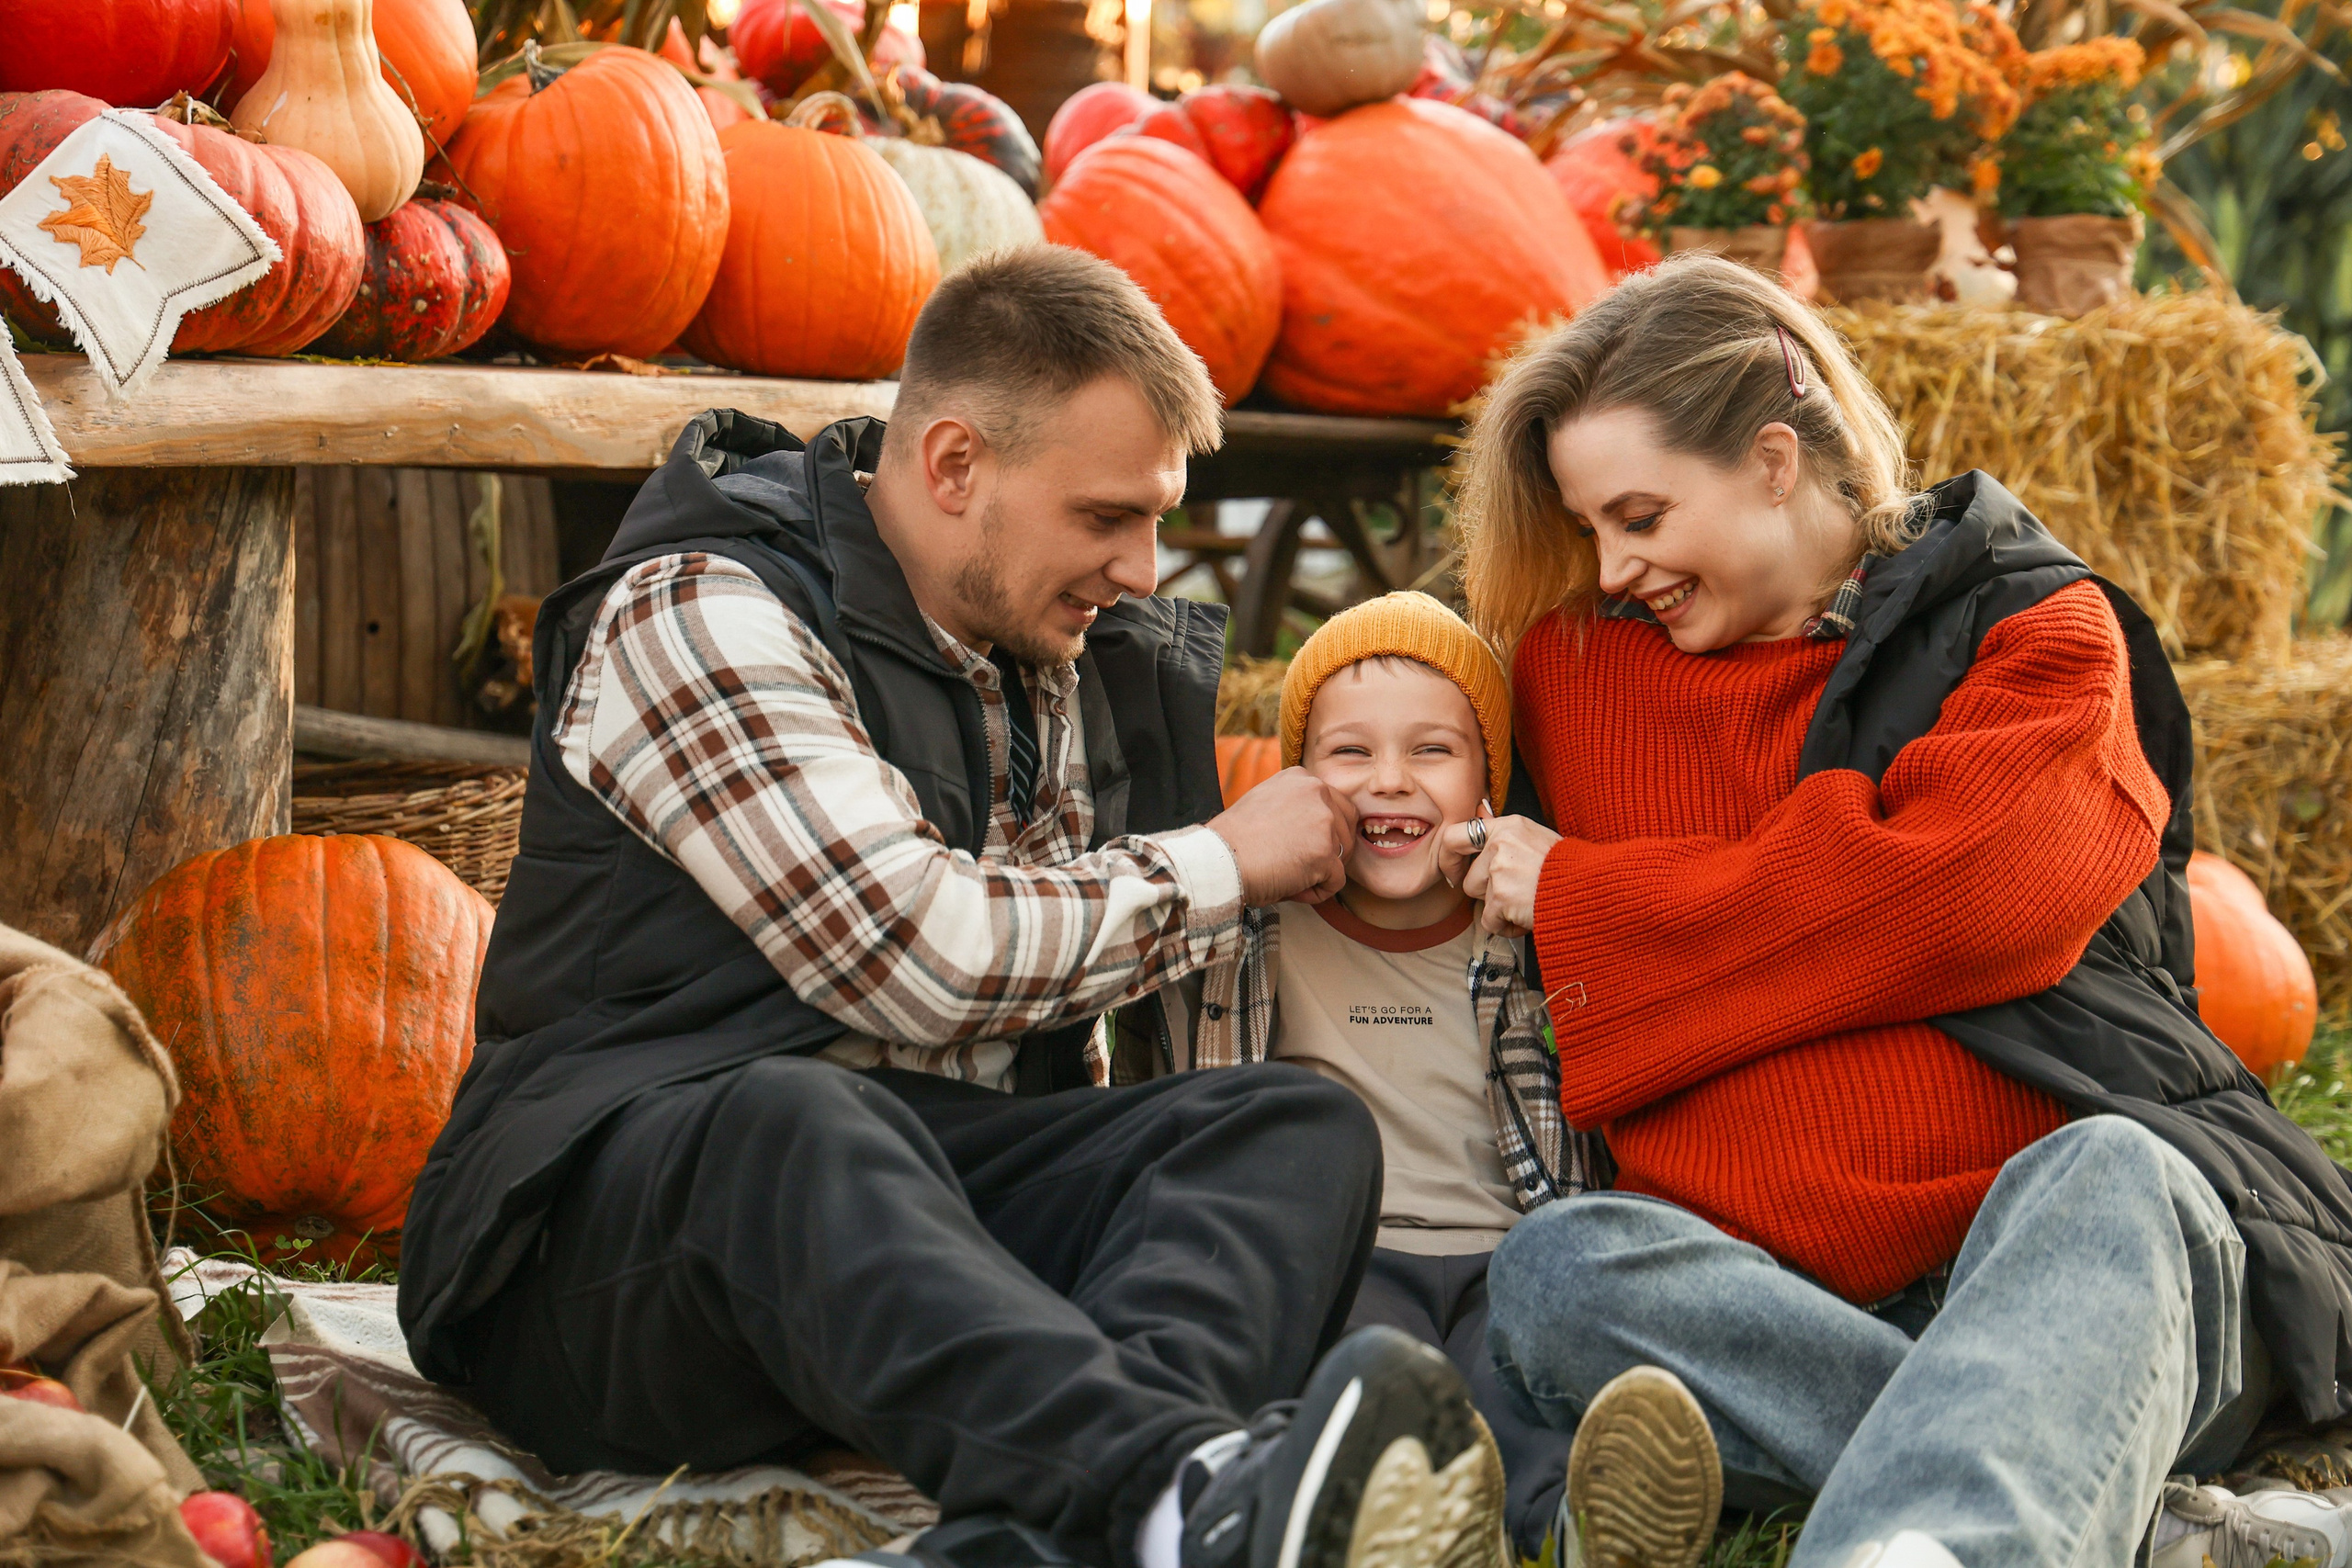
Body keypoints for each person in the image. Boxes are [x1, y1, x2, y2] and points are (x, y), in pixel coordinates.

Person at [394, 246, 1512, 1568]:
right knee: (789, 1108)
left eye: (1158, 518)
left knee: (1288, 1124)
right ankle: (1183, 1478)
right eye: (1107, 517)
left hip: (909, 1239)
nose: (1146, 570)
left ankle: (1074, 1529)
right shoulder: (703, 609)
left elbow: (1098, 1018)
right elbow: (916, 954)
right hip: (607, 1258)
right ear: (953, 466)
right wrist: (1222, 859)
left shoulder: (1061, 647)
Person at [1439, 252, 2352, 1568]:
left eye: (1639, 513)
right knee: (1557, 1268)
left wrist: (1591, 896)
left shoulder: (2038, 629)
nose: (1614, 560)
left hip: (2074, 1266)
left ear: (1769, 460)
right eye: (1589, 528)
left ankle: (1943, 1530)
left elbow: (1965, 896)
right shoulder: (1570, 670)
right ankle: (2105, 1496)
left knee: (2111, 1174)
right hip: (1770, 1303)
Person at [1135, 591, 1602, 1559]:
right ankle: (1399, 1502)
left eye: (1432, 751)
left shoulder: (1528, 931)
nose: (1389, 782)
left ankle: (1568, 1518)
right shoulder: (1249, 930)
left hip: (1506, 1255)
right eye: (1348, 754)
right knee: (1358, 1368)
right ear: (1298, 778)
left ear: (1489, 780)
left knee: (1520, 1383)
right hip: (1349, 1252)